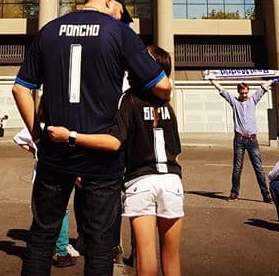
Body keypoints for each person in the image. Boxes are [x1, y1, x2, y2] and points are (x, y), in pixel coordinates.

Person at [12, 0, 171, 276]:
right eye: (121, 12)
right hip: (101, 154)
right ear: (110, 1)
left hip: (55, 152)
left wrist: (38, 136)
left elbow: (20, 89)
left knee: (42, 236)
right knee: (99, 244)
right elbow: (162, 85)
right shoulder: (119, 33)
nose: (120, 18)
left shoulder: (49, 29)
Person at [48, 45, 184, 276]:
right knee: (172, 259)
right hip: (172, 181)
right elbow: (177, 150)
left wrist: (70, 136)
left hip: (141, 182)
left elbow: (114, 142)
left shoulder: (129, 99)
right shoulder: (167, 106)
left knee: (146, 261)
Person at [14, 126, 80, 268]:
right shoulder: (57, 122)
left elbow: (19, 139)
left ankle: (48, 248)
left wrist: (36, 152)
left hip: (43, 174)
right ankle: (61, 251)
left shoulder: (40, 123)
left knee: (44, 213)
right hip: (57, 173)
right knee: (61, 212)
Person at [207, 75, 275, 202]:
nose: (244, 95)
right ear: (238, 92)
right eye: (242, 93)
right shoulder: (234, 102)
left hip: (252, 140)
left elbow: (263, 89)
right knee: (237, 167)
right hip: (239, 140)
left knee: (258, 167)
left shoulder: (253, 100)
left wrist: (273, 78)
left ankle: (266, 194)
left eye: (246, 92)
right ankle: (234, 193)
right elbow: (222, 90)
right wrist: (211, 79)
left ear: (248, 91)